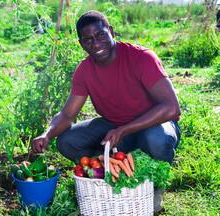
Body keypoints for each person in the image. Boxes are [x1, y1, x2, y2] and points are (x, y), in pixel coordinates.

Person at [31, 10, 181, 166]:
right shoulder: (84, 71)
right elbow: (67, 115)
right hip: (115, 128)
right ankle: (108, 167)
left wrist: (125, 130)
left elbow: (172, 108)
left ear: (111, 31)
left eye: (101, 35)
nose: (96, 44)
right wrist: (47, 135)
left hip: (153, 125)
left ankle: (156, 183)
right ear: (81, 44)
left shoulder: (141, 58)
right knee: (67, 141)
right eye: (88, 40)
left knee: (156, 139)